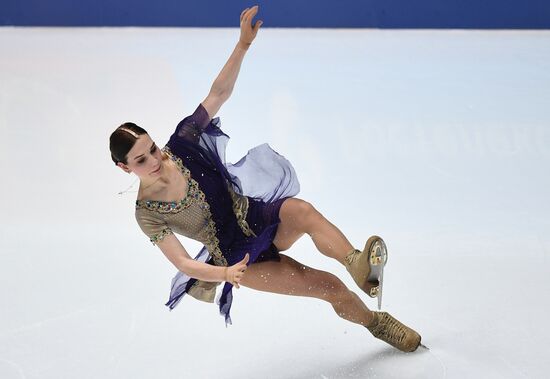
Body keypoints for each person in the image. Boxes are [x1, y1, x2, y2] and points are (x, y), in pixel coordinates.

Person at [109, 5, 422, 353]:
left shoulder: (182, 143)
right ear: (124, 167)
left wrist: (242, 45)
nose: (155, 159)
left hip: (254, 215)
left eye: (152, 148)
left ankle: (359, 265)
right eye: (141, 159)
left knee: (302, 211)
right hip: (237, 257)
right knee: (327, 287)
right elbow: (183, 262)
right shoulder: (147, 213)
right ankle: (377, 324)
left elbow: (217, 94)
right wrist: (226, 275)